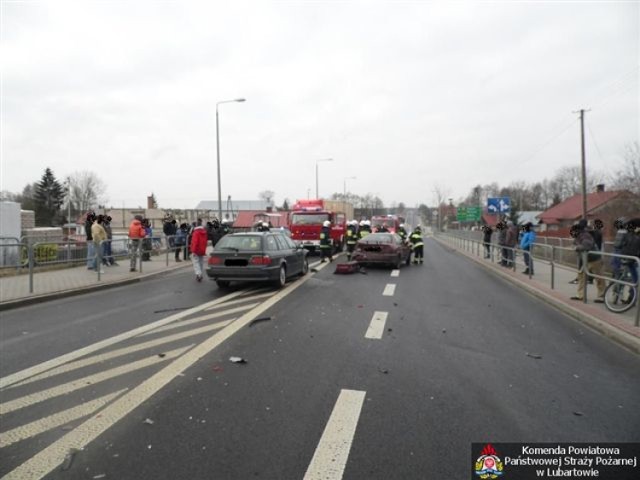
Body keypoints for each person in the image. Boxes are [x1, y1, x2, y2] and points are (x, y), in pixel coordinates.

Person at [570, 219, 605, 302]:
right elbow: (574, 244)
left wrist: (576, 248)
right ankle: (580, 295)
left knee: (599, 277)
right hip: (585, 259)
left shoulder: (585, 235)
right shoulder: (578, 236)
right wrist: (574, 246)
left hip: (594, 259)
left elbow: (586, 246)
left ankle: (602, 295)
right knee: (581, 277)